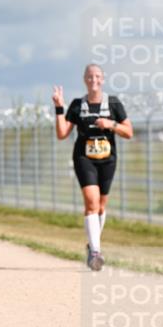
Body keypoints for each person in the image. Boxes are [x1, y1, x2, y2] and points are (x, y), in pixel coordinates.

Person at [52, 64, 133, 270]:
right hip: (84, 158)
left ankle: (92, 244)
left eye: (97, 76)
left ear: (103, 79)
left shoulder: (113, 103)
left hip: (107, 159)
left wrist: (111, 124)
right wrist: (59, 108)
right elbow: (62, 134)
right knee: (91, 202)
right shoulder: (77, 105)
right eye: (89, 76)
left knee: (101, 206)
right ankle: (96, 252)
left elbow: (129, 132)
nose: (93, 80)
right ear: (84, 79)